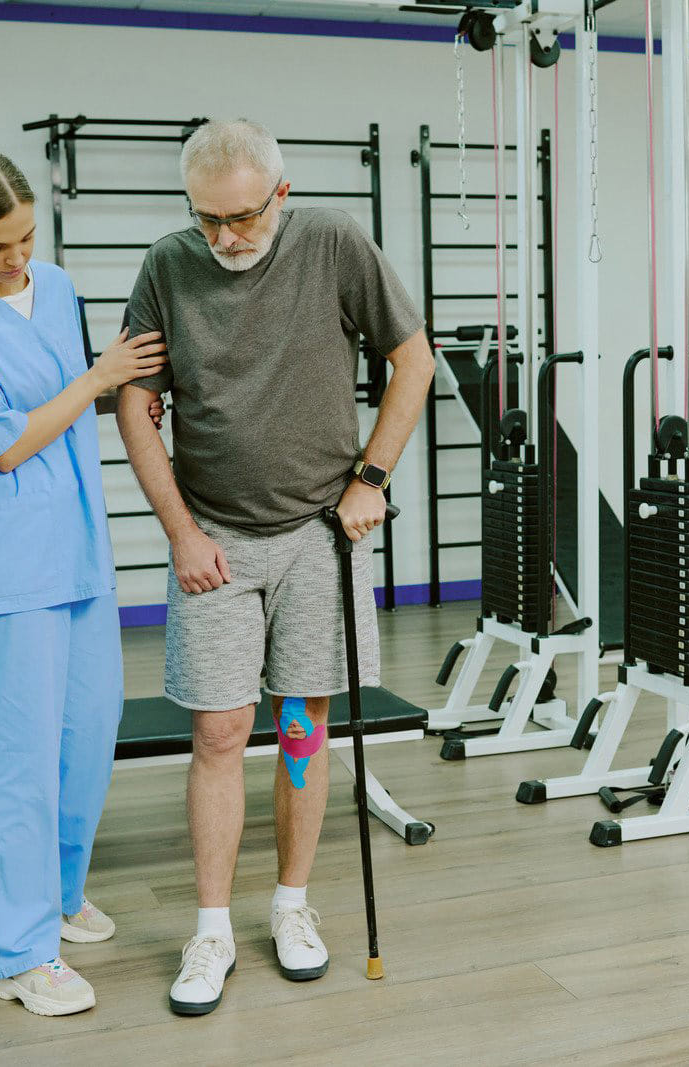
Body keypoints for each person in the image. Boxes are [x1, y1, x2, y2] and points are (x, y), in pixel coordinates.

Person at [116, 120, 434, 1016]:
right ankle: (211, 927)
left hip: (316, 536)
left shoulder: (333, 242)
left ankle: (291, 906)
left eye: (243, 217)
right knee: (219, 731)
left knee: (303, 722)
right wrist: (180, 530)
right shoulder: (166, 267)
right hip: (214, 534)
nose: (224, 237)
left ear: (281, 196)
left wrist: (372, 475)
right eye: (207, 218)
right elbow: (136, 407)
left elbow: (414, 359)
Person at [0, 148, 166, 1017]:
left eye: (24, 237)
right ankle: (16, 952)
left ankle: (57, 893)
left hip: (79, 544)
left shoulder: (54, 287)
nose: (16, 258)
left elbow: (74, 401)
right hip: (7, 559)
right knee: (16, 757)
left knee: (88, 730)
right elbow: (6, 443)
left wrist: (122, 391)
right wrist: (99, 377)